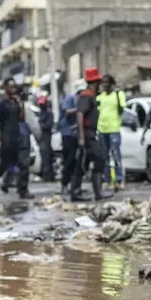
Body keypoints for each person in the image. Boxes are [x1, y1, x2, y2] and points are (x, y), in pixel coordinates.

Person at [0, 78, 32, 200]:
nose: (13, 89)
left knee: (24, 164)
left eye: (14, 86)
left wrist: (21, 103)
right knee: (3, 165)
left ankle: (23, 190)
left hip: (18, 138)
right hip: (6, 139)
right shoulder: (1, 103)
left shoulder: (15, 102)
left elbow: (21, 117)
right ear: (5, 87)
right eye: (11, 86)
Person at [69, 68, 105, 202]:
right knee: (99, 158)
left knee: (81, 163)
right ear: (94, 82)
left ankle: (76, 192)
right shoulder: (86, 95)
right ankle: (98, 192)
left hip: (89, 132)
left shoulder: (90, 96)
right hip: (87, 133)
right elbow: (80, 114)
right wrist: (82, 137)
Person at [96, 74, 126, 191]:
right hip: (102, 129)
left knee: (116, 155)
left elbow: (121, 109)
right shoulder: (100, 97)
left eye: (107, 82)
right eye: (103, 83)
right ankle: (107, 180)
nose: (105, 85)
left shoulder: (118, 95)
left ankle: (119, 180)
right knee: (105, 157)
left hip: (114, 129)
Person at [58, 88, 79, 197]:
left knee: (76, 161)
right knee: (69, 160)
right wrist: (79, 109)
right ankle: (64, 184)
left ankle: (73, 186)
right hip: (67, 133)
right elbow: (67, 112)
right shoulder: (70, 98)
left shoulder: (80, 99)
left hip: (76, 133)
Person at [37, 94, 56, 182]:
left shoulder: (48, 112)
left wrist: (40, 125)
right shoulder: (41, 112)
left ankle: (48, 175)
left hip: (46, 136)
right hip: (43, 136)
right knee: (45, 155)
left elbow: (48, 125)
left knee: (47, 155)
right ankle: (47, 175)